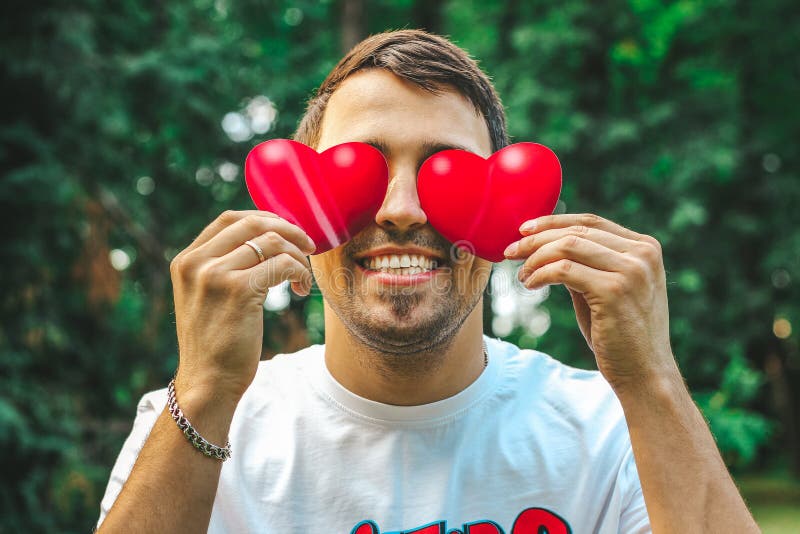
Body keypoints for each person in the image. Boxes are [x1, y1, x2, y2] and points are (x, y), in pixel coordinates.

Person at [96, 30, 758, 533]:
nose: (402, 209)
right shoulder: (192, 425)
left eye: (448, 171)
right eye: (362, 169)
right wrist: (208, 388)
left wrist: (653, 383)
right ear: (297, 204)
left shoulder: (612, 432)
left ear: (509, 208)